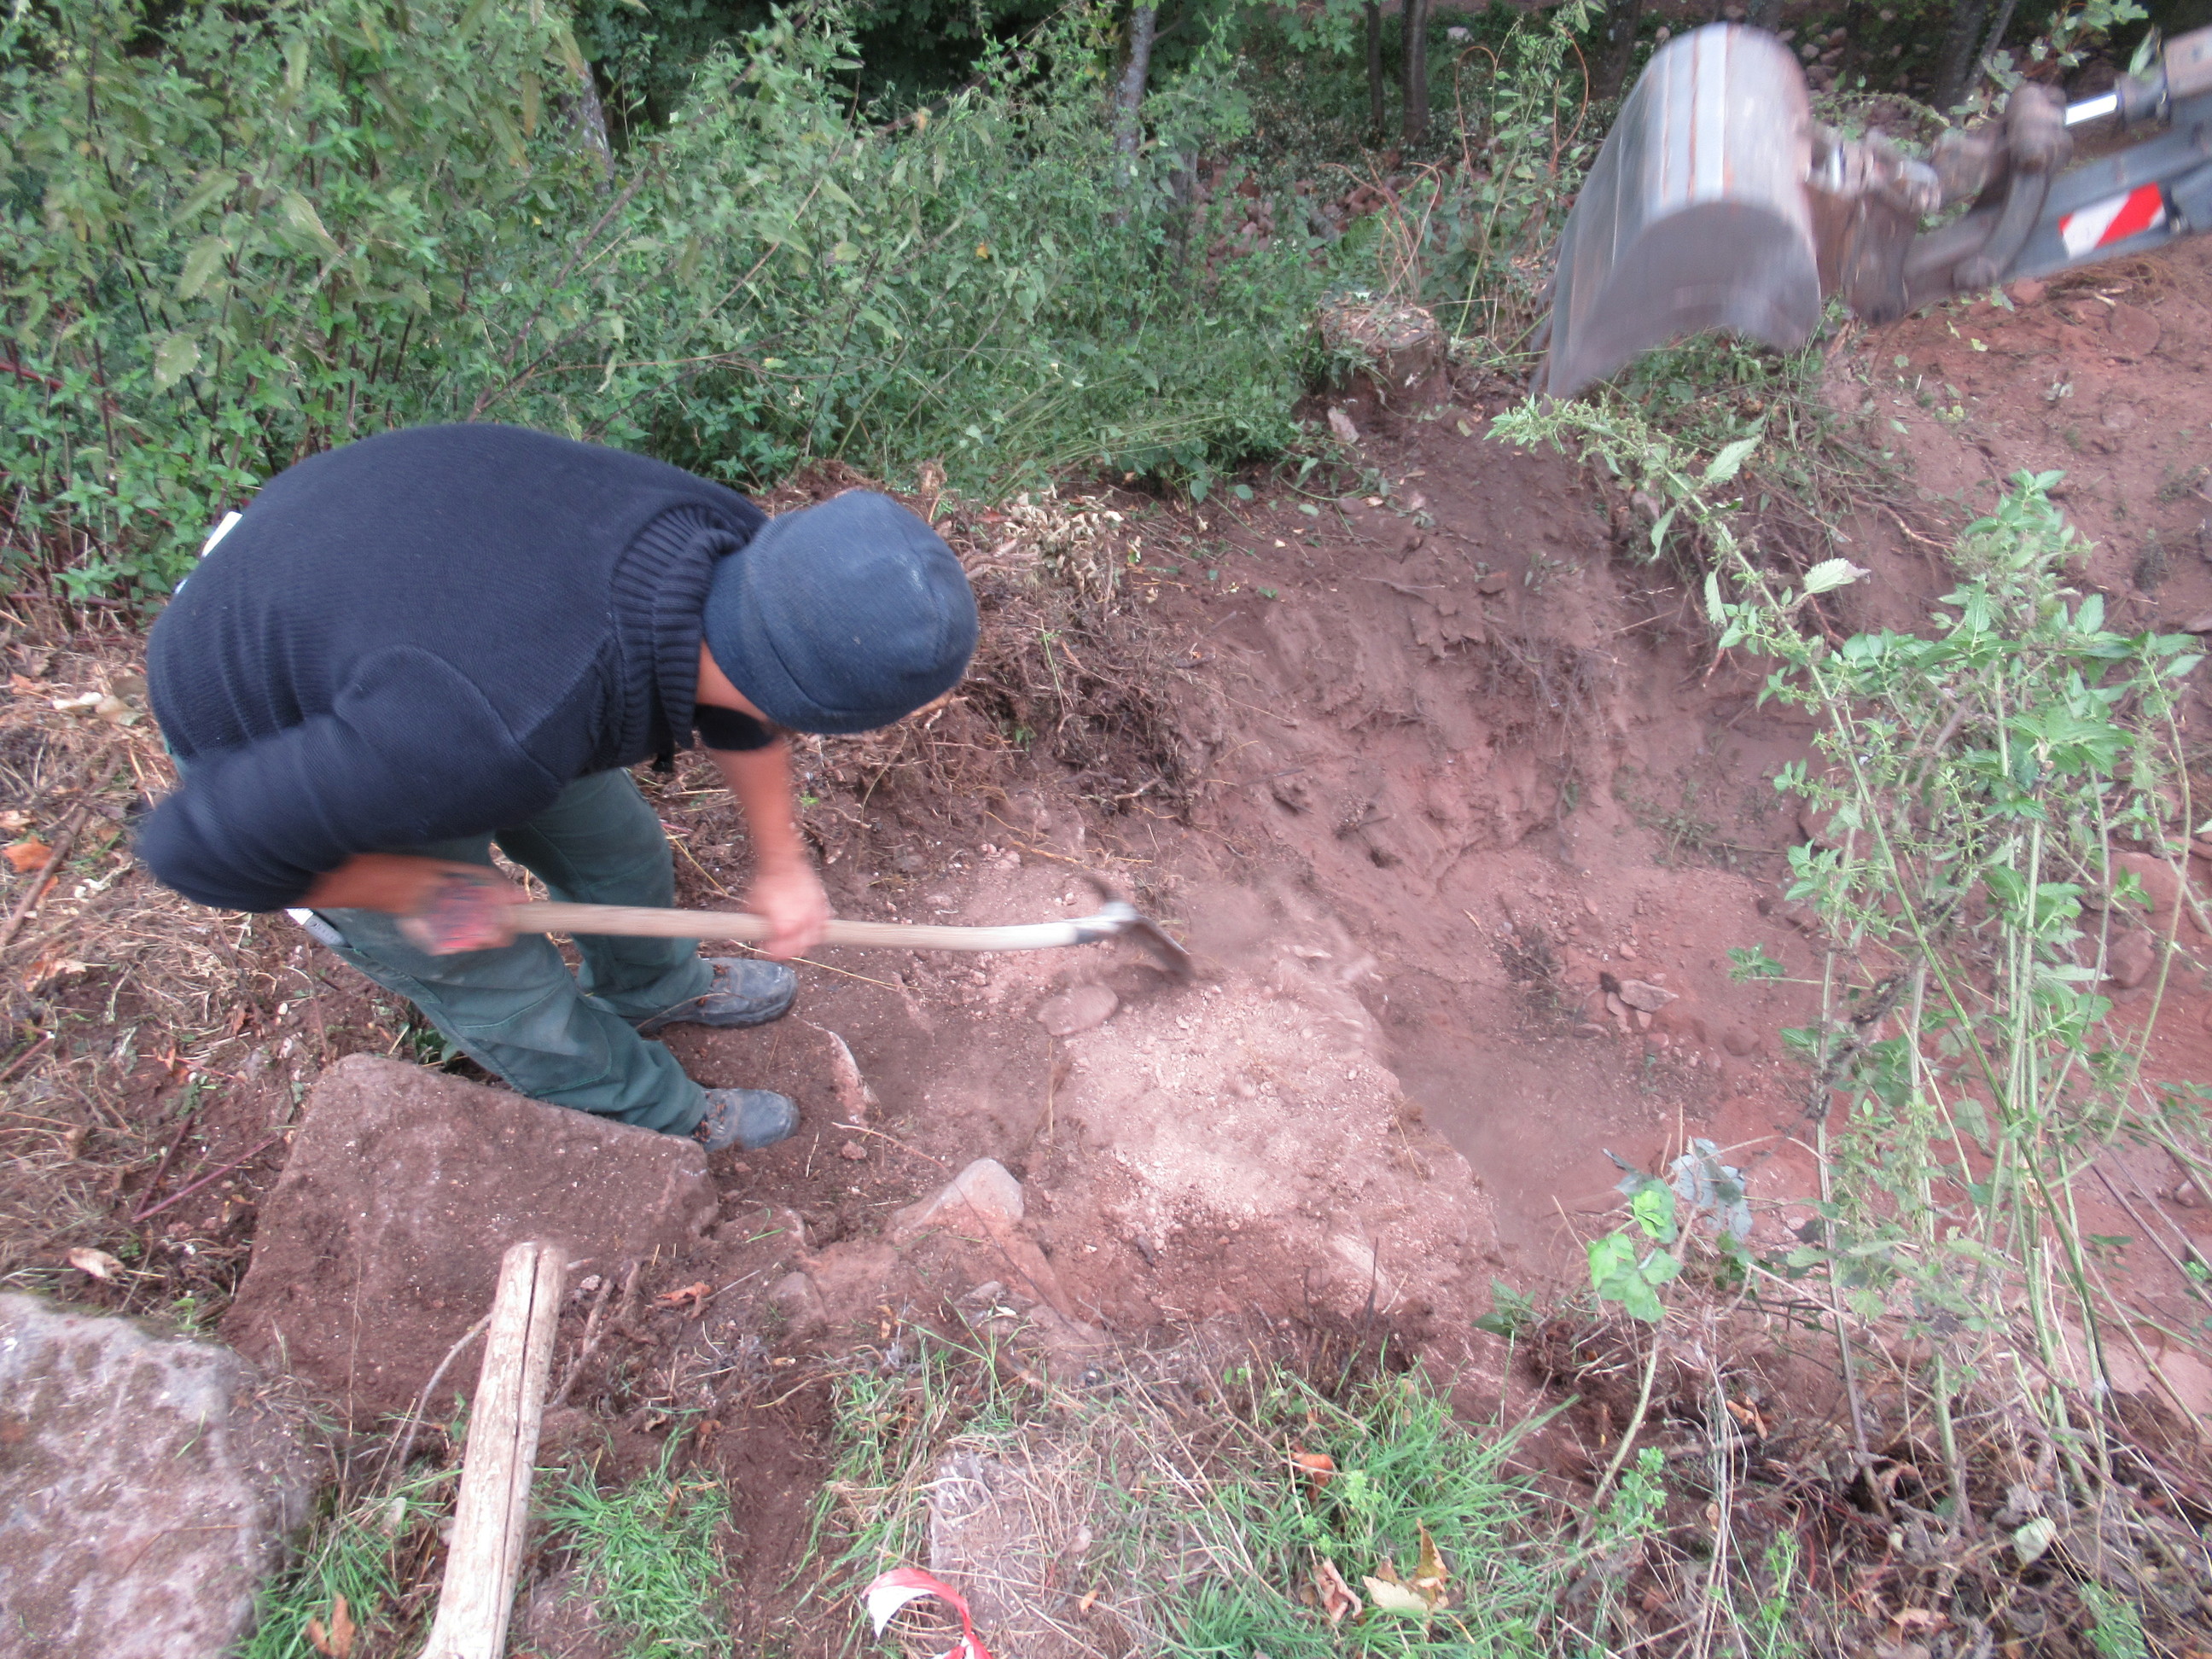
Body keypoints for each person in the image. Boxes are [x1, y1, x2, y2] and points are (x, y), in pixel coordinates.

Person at [138, 423, 977, 1153]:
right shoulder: (488, 733)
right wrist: (410, 888)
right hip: (273, 718)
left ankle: (651, 987)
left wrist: (781, 859)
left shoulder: (735, 548)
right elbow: (195, 849)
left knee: (621, 850)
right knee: (508, 986)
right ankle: (652, 1114)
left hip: (421, 623)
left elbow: (743, 692)